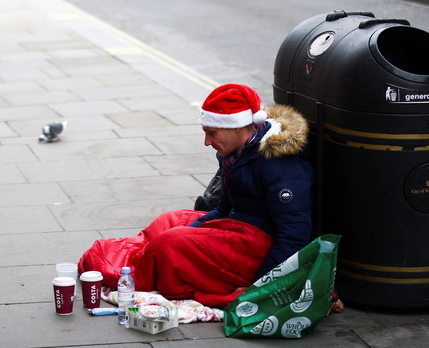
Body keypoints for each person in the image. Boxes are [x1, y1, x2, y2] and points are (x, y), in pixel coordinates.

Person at [77, 83, 314, 307]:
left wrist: (259, 286)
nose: (206, 142)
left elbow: (294, 234)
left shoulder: (281, 166)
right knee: (169, 221)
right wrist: (193, 229)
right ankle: (143, 258)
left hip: (260, 247)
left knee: (171, 243)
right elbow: (223, 208)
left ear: (237, 127)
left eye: (211, 133)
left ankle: (133, 271)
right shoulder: (234, 152)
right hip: (236, 227)